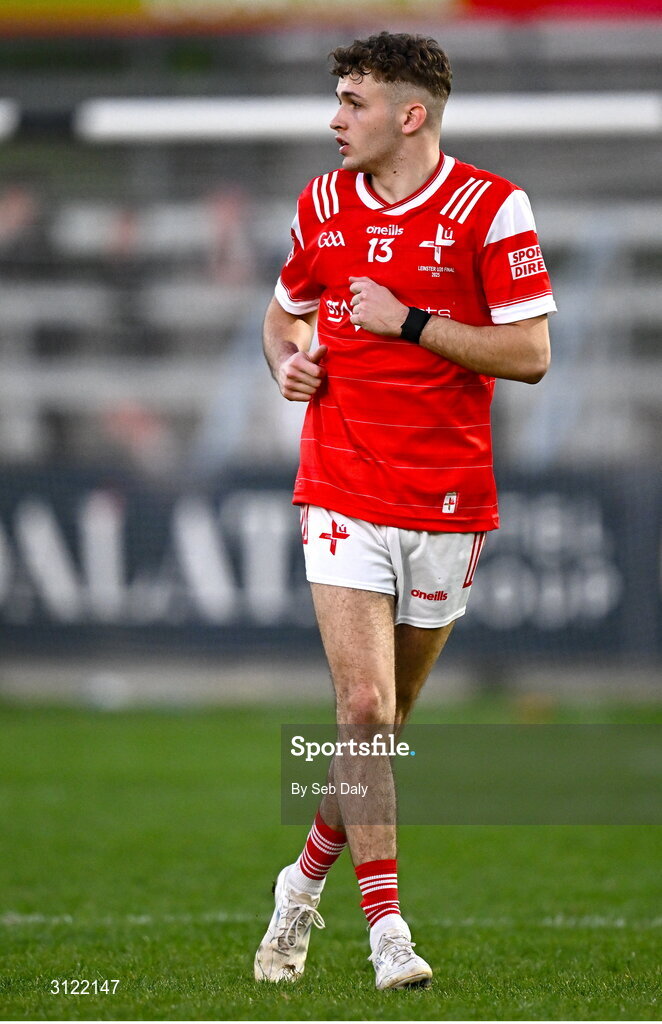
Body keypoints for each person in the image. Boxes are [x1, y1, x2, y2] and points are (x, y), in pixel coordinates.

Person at [255, 30, 556, 990]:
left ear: (408, 115)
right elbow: (283, 310)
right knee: (365, 706)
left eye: (353, 101)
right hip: (340, 482)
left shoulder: (491, 209)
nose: (334, 119)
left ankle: (299, 885)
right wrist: (289, 362)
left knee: (381, 730)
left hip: (449, 500)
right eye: (337, 100)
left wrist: (413, 323)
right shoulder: (321, 203)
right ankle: (388, 932)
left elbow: (531, 353)